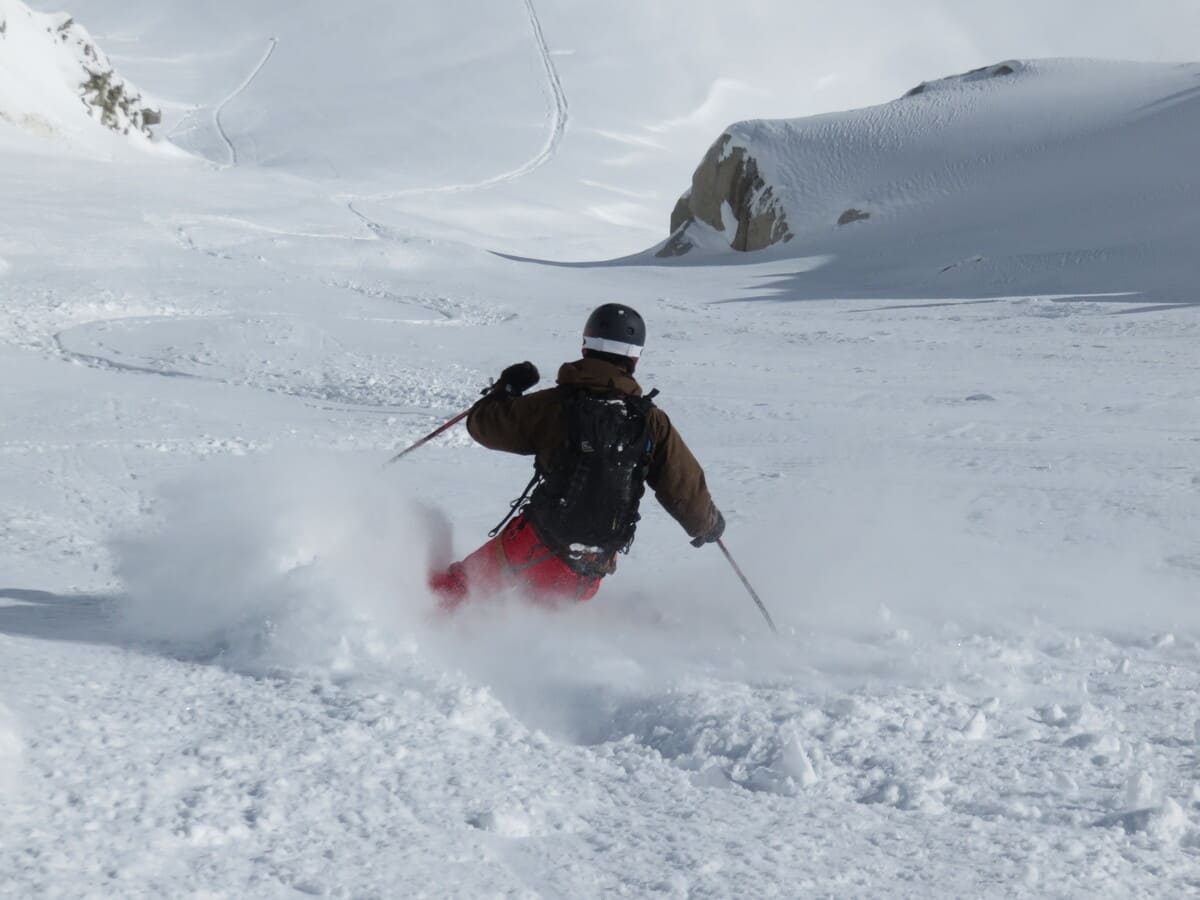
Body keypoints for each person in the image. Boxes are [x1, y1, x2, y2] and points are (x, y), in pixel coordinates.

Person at [429, 303, 725, 611]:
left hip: (532, 544)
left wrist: (506, 389)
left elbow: (485, 426)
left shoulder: (555, 405)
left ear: (586, 346)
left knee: (457, 593)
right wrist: (708, 524)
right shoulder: (651, 421)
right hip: (588, 570)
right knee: (532, 626)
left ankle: (403, 626)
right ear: (634, 357)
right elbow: (683, 485)